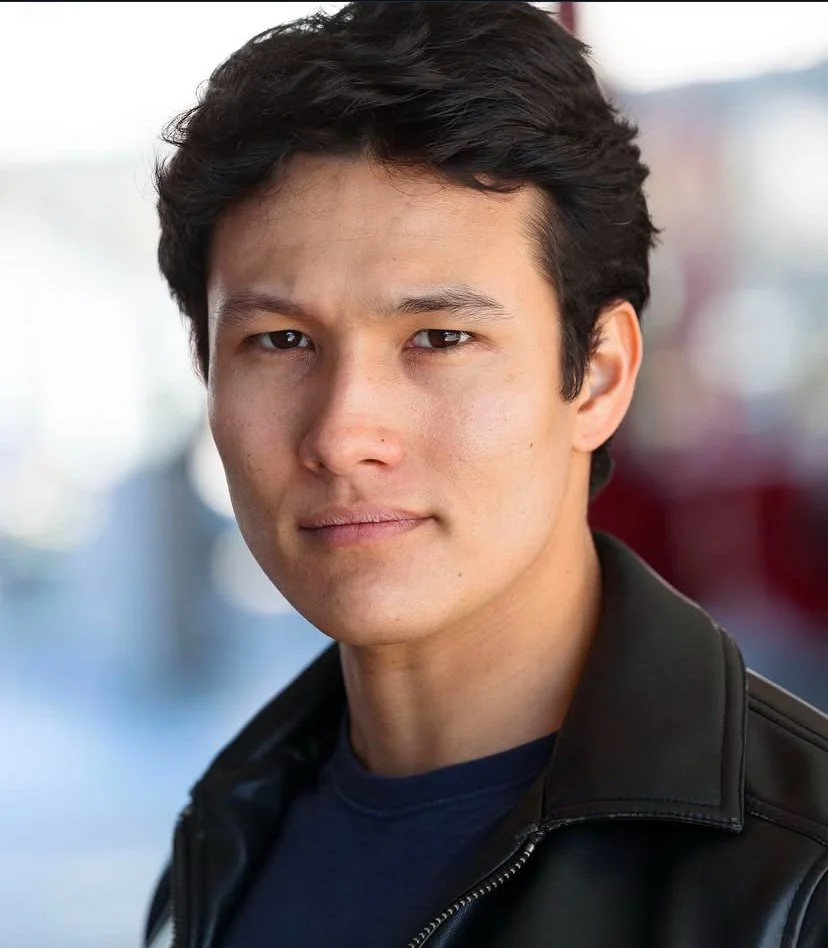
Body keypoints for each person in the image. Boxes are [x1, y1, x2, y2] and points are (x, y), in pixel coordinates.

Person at [144, 3, 828, 946]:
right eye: (281, 340)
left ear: (598, 374)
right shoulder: (231, 829)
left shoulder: (800, 879)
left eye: (440, 338)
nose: (343, 435)